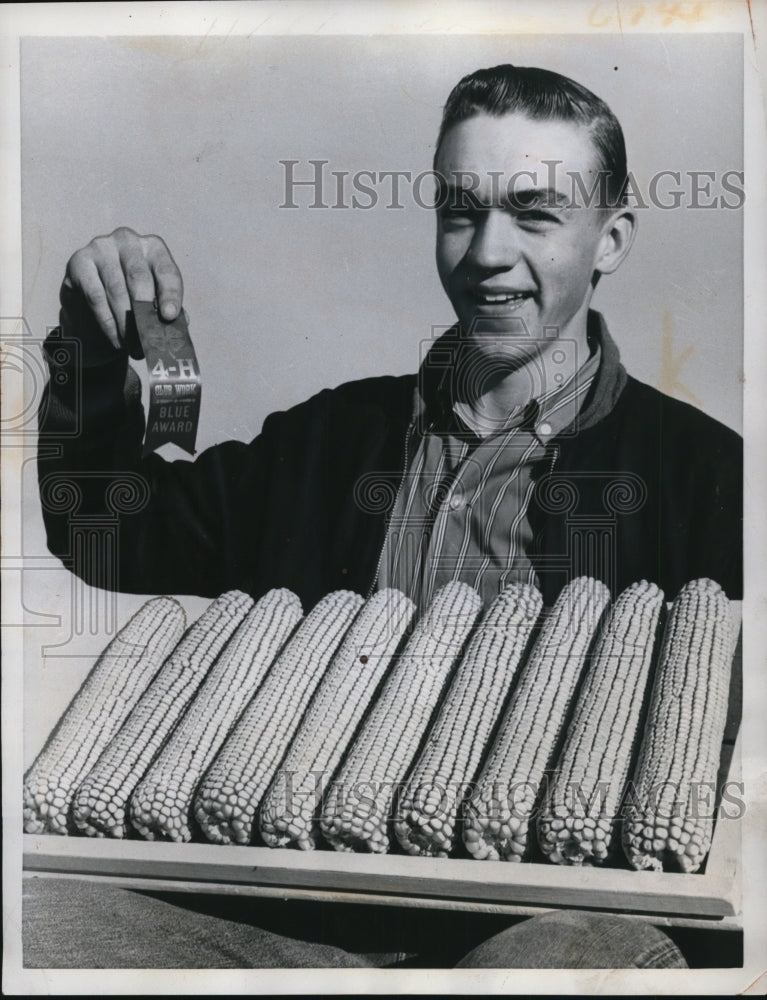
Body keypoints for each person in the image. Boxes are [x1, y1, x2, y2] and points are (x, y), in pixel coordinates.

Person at [27, 63, 742, 969]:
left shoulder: (708, 477)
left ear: (610, 239)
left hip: (555, 923)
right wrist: (90, 355)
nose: (486, 251)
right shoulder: (333, 438)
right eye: (459, 209)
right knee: (35, 920)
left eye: (533, 212)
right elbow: (106, 532)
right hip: (298, 916)